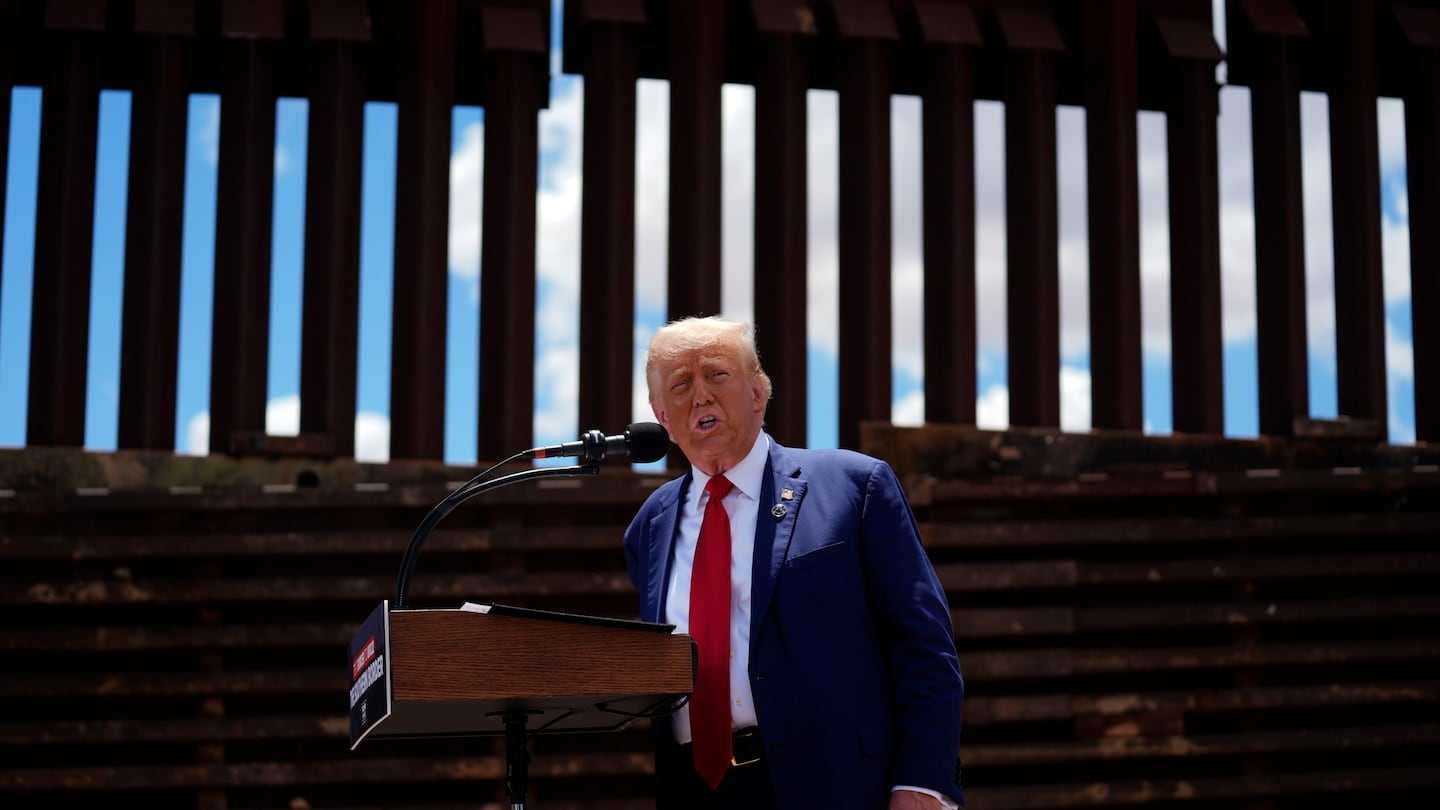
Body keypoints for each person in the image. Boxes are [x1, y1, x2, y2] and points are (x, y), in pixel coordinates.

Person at [624, 316, 964, 810]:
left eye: (716, 375)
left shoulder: (854, 487)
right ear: (662, 417)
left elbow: (923, 646)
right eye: (681, 385)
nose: (700, 396)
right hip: (697, 790)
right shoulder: (650, 525)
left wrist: (923, 783)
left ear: (759, 392)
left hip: (838, 785)